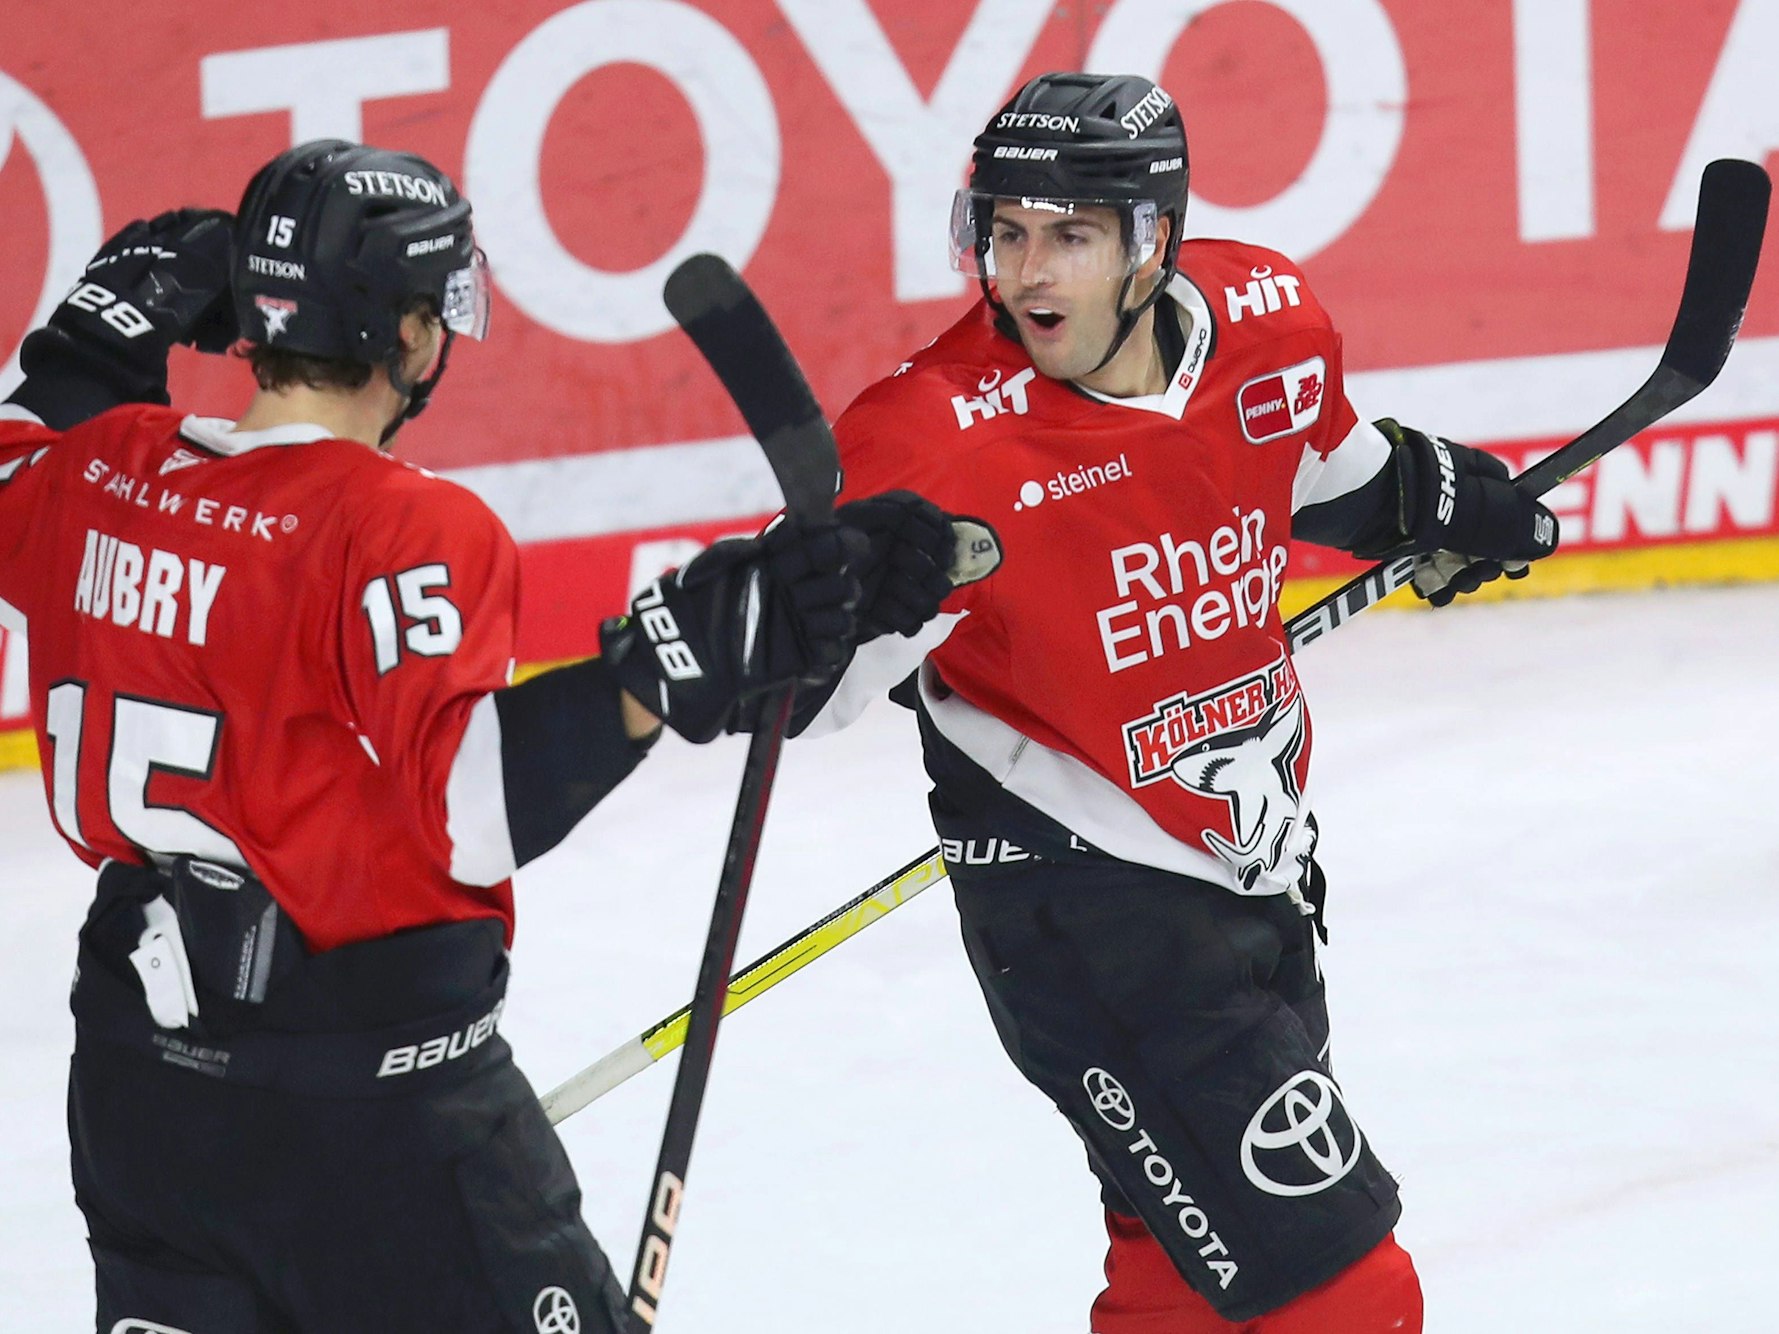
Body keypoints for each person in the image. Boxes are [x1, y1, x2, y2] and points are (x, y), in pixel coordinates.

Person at [0, 139, 958, 1333]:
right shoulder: (396, 524)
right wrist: (676, 654)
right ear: (408, 335)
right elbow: (469, 808)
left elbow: (21, 452)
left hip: (144, 1105)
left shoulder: (97, 473)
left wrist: (94, 337)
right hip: (369, 1126)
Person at [793, 73, 1560, 1332]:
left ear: (1155, 241)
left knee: (1174, 1266)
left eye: (1071, 234)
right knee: (1348, 1290)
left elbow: (1329, 469)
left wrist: (1440, 503)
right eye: (1006, 228)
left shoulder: (1263, 321)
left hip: (1249, 871)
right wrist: (830, 603)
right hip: (1091, 910)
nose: (1025, 271)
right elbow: (799, 701)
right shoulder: (931, 438)